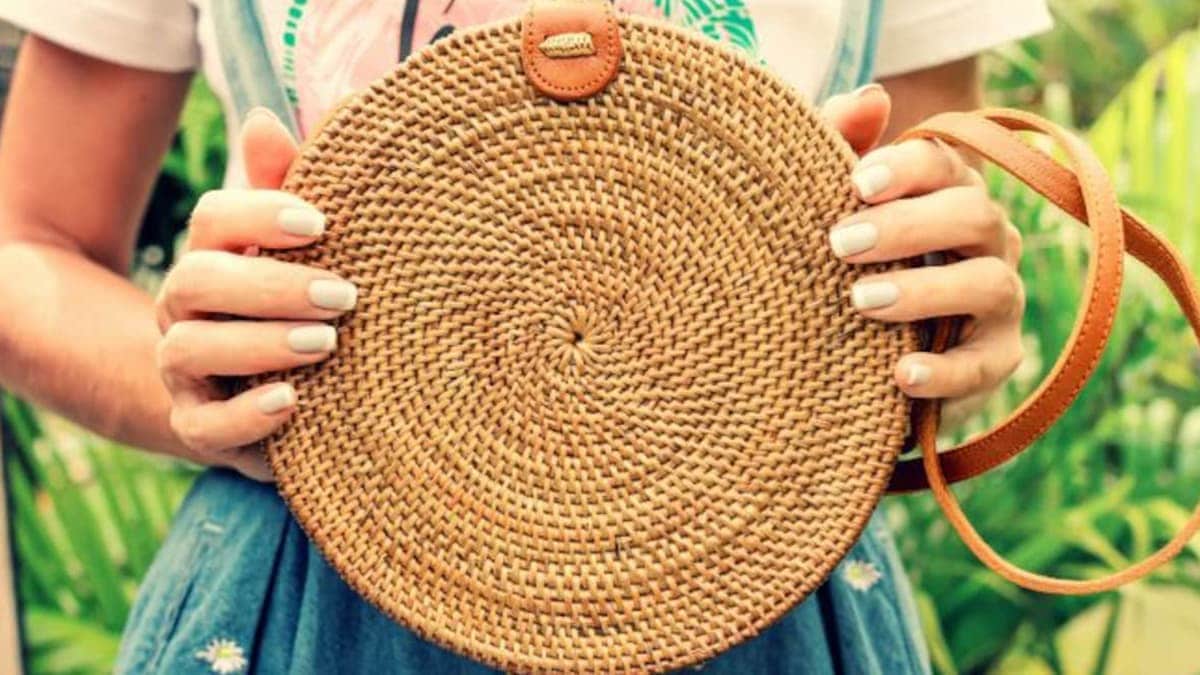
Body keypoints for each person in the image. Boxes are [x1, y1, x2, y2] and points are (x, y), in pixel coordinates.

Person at [0, 1, 1050, 672]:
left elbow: (931, 243)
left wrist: (949, 330)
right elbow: (28, 243)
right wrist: (201, 389)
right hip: (316, 607)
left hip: (763, 593)